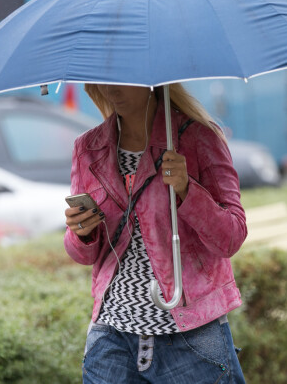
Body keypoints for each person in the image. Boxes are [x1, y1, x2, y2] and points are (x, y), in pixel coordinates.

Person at [64, 83, 247, 383]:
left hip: (191, 334)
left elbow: (232, 236)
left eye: (120, 75)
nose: (110, 87)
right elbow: (82, 254)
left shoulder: (197, 137)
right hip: (113, 336)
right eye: (102, 77)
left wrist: (188, 190)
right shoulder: (88, 148)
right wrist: (81, 233)